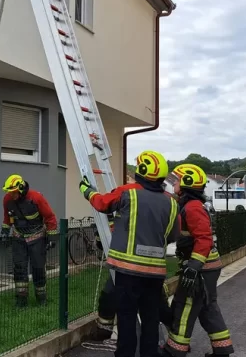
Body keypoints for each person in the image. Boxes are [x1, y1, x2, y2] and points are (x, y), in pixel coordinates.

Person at [79, 150, 179, 357]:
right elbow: (172, 235)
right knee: (150, 318)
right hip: (155, 273)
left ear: (141, 170)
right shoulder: (171, 202)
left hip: (128, 270)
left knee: (126, 318)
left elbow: (102, 203)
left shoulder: (128, 192)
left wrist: (87, 191)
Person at [162, 164, 234, 357]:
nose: (174, 183)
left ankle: (174, 351)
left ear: (186, 183)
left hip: (201, 269)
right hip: (207, 267)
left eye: (177, 180)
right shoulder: (191, 205)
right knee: (207, 308)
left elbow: (204, 239)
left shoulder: (192, 207)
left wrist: (194, 266)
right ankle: (222, 350)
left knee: (184, 306)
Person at [1, 174, 58, 307]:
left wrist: (52, 237)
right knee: (19, 268)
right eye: (9, 192)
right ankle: (21, 300)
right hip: (18, 237)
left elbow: (50, 217)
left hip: (37, 237)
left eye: (14, 192)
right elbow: (7, 218)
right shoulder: (7, 199)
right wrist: (5, 232)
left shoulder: (36, 197)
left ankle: (41, 298)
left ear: (21, 188)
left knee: (38, 267)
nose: (11, 195)